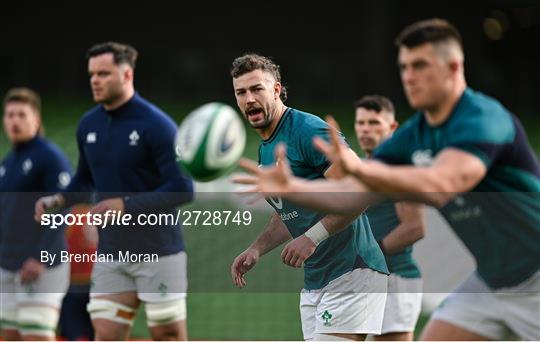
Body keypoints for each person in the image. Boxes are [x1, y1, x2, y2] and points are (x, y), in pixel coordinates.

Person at [234, 19, 540, 341]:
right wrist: (295, 189)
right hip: (492, 283)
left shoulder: (482, 117)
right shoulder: (414, 135)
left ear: (453, 67)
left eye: (420, 65)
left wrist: (363, 173)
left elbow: (443, 184)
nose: (409, 76)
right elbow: (353, 196)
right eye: (404, 66)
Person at [34, 42, 194, 340]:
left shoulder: (158, 125)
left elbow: (183, 189)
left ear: (127, 74)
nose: (95, 80)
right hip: (112, 254)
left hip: (159, 253)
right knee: (105, 336)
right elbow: (83, 181)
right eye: (92, 74)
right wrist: (56, 199)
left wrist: (125, 205)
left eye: (104, 73)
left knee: (167, 335)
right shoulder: (88, 125)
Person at [229, 53, 388, 341]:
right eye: (241, 92)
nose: (249, 98)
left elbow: (361, 192)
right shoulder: (266, 149)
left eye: (257, 89)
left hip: (352, 269)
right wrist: (256, 248)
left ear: (276, 90)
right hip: (317, 279)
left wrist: (311, 237)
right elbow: (289, 212)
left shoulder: (307, 130)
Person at [0, 87, 72, 340]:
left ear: (36, 119)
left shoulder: (50, 158)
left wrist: (41, 257)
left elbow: (63, 209)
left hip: (42, 266)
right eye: (9, 115)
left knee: (36, 336)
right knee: (10, 336)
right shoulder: (7, 164)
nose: (14, 121)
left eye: (21, 114)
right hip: (8, 266)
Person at [354, 95, 425, 341]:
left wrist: (370, 256)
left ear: (392, 127)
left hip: (395, 278)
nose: (365, 129)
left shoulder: (400, 169)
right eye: (361, 123)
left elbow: (415, 227)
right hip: (365, 279)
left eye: (374, 123)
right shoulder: (363, 169)